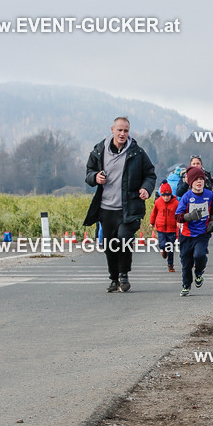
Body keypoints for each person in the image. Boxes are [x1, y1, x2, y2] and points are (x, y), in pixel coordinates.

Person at [83, 116, 156, 293]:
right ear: (112, 130)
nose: (122, 134)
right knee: (109, 245)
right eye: (120, 130)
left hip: (128, 207)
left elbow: (150, 174)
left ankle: (124, 275)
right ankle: (114, 278)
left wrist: (146, 188)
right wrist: (95, 177)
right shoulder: (99, 151)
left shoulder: (137, 152)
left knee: (124, 239)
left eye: (126, 131)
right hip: (106, 208)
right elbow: (88, 174)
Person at [175, 164, 213, 296]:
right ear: (191, 182)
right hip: (186, 234)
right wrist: (189, 216)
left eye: (201, 179)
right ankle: (186, 285)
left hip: (202, 233)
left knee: (199, 255)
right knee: (186, 261)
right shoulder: (186, 197)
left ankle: (199, 272)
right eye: (196, 179)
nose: (199, 181)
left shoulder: (209, 195)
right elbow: (178, 216)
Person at [150, 181, 178, 271]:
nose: (166, 198)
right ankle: (163, 250)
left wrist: (179, 224)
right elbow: (154, 213)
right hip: (161, 228)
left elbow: (178, 215)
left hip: (172, 229)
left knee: (171, 247)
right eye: (164, 195)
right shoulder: (158, 202)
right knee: (162, 244)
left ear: (171, 195)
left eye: (168, 195)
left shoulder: (176, 203)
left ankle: (170, 264)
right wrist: (151, 222)